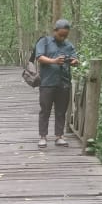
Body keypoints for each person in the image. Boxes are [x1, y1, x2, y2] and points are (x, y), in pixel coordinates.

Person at [34, 18, 79, 148]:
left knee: (61, 111)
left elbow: (75, 58)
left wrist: (74, 62)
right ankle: (43, 137)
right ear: (55, 31)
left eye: (65, 35)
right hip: (47, 82)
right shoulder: (44, 42)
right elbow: (39, 57)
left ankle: (59, 136)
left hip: (64, 83)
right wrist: (54, 61)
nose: (63, 37)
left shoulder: (68, 45)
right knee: (45, 110)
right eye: (61, 35)